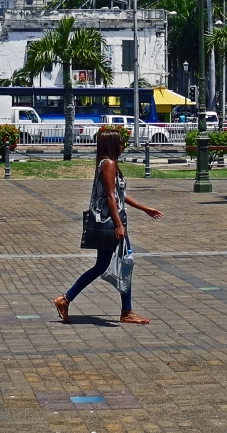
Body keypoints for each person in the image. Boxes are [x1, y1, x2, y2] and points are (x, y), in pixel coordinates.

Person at [55, 129, 163, 323]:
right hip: (112, 223)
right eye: (120, 143)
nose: (122, 146)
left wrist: (143, 208)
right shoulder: (109, 164)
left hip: (111, 222)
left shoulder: (106, 163)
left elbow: (119, 195)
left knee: (106, 265)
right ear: (112, 144)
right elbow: (110, 197)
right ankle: (126, 311)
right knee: (126, 263)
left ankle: (66, 299)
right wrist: (119, 225)